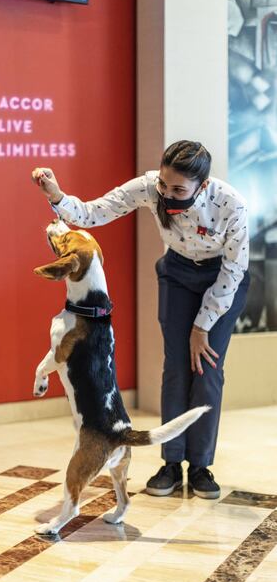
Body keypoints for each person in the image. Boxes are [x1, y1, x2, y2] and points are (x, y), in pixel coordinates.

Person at [31, 140, 249, 499]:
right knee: (176, 366)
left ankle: (200, 467)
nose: (167, 194)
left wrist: (202, 325)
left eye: (178, 189)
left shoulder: (231, 205)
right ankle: (170, 462)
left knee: (206, 367)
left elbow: (233, 271)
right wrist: (56, 196)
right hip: (178, 274)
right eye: (164, 185)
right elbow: (93, 213)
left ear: (203, 186)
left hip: (223, 281)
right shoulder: (150, 187)